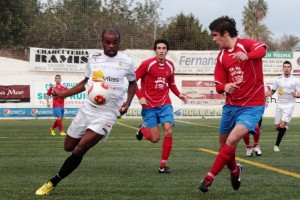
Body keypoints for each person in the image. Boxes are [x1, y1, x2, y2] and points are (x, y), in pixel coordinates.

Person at [35, 28, 137, 195]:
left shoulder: (126, 61)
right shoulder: (94, 58)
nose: (111, 46)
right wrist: (63, 94)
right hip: (87, 109)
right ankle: (89, 135)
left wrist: (127, 102)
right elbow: (86, 82)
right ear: (102, 42)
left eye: (115, 42)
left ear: (119, 42)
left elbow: (133, 84)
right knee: (68, 147)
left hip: (107, 113)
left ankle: (52, 182)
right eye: (108, 42)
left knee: (80, 149)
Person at [198, 16, 267, 193]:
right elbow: (218, 85)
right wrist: (225, 86)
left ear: (225, 33)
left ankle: (208, 178)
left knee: (232, 139)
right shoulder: (221, 57)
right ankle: (235, 170)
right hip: (230, 107)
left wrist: (248, 56)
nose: (213, 39)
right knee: (223, 148)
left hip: (252, 106)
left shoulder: (247, 44)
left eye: (215, 35)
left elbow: (261, 50)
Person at [135, 38, 187, 173]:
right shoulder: (147, 64)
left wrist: (179, 94)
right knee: (155, 139)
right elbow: (132, 81)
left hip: (165, 104)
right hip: (149, 106)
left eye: (164, 48)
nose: (161, 51)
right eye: (159, 48)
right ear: (155, 50)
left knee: (169, 131)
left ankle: (163, 165)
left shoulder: (170, 65)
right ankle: (142, 130)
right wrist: (140, 97)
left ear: (167, 50)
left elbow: (172, 84)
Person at [265, 61, 300, 152]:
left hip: (289, 105)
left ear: (291, 68)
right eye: (285, 67)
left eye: (288, 67)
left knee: (282, 124)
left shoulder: (295, 80)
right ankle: (283, 130)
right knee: (277, 127)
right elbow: (272, 91)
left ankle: (276, 145)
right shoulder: (278, 79)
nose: (286, 68)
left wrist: (296, 95)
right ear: (283, 68)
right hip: (279, 105)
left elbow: (299, 93)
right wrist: (265, 95)